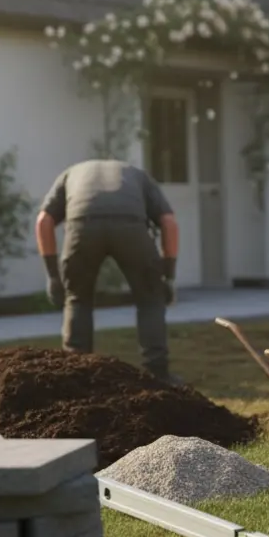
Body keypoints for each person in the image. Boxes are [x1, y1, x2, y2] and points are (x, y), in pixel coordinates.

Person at [34, 159, 182, 385]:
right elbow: (168, 221)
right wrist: (167, 277)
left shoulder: (70, 174)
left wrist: (53, 275)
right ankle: (157, 374)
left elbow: (44, 220)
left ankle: (76, 374)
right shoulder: (138, 175)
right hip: (131, 227)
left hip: (82, 224)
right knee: (151, 300)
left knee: (77, 300)